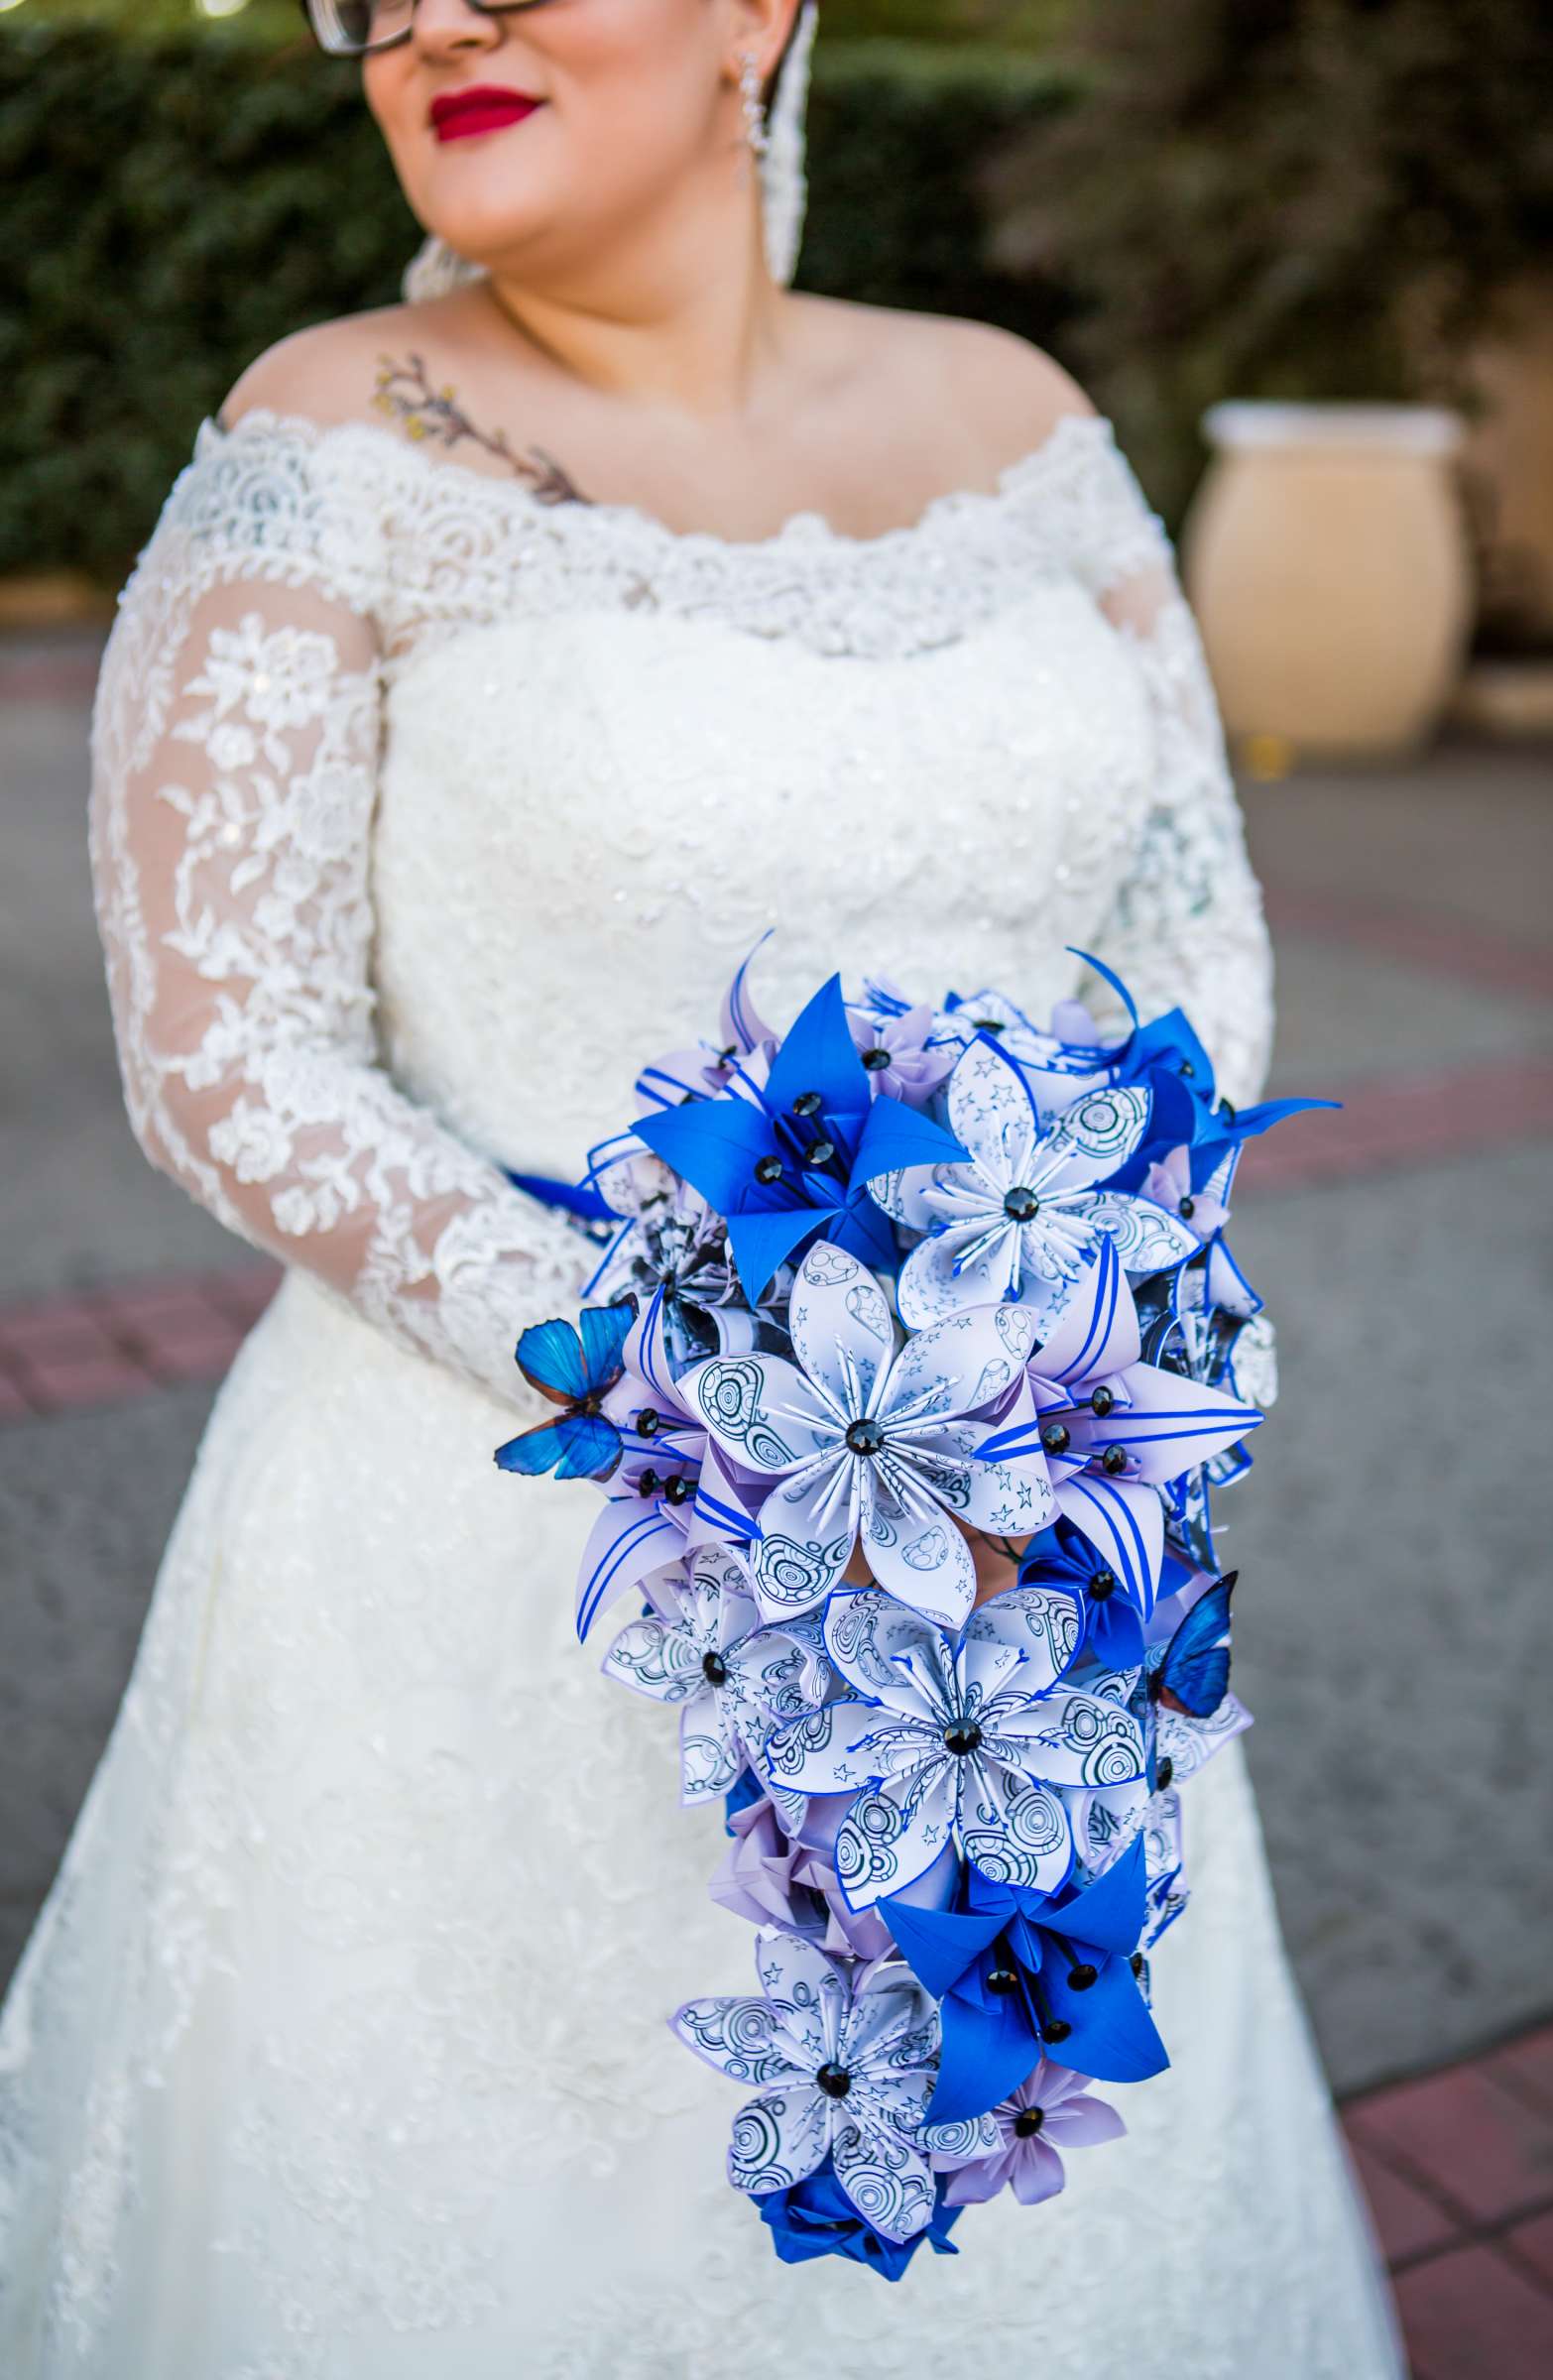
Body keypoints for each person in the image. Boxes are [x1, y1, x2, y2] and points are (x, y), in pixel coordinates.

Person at [0, 2, 1408, 2371]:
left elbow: (1192, 930)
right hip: (496, 1569)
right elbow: (227, 1056)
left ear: (759, 6)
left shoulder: (1021, 423)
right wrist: (752, 1398)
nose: (427, 14)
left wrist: (1051, 1333)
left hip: (1025, 1569)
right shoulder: (327, 433)